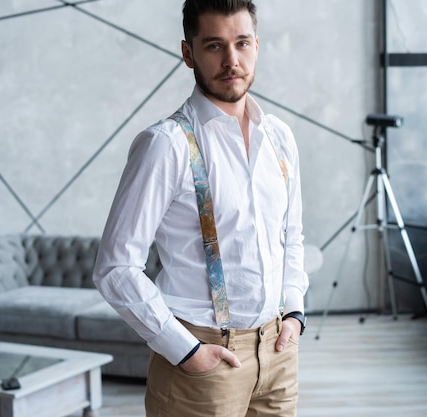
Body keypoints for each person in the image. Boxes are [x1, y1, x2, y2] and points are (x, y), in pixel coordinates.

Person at [93, 0, 308, 415]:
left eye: (242, 43)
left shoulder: (280, 138)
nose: (232, 60)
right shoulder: (166, 145)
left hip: (279, 353)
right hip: (202, 361)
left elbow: (291, 237)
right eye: (214, 46)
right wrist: (185, 350)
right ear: (188, 53)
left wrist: (295, 312)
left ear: (257, 45)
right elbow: (115, 267)